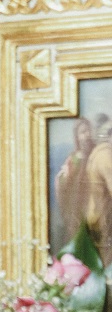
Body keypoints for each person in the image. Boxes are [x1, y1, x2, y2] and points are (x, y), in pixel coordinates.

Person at [56, 117, 94, 245]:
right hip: (77, 204)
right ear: (77, 137)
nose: (87, 135)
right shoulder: (72, 158)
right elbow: (62, 181)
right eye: (83, 132)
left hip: (92, 201)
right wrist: (64, 177)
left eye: (88, 131)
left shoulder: (96, 153)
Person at [85, 114, 112, 266]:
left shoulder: (98, 153)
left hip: (98, 213)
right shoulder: (105, 155)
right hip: (103, 216)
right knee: (105, 260)